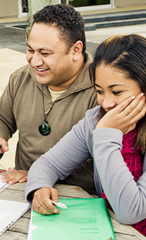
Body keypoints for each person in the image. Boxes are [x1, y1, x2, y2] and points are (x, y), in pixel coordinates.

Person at [25, 34, 146, 236]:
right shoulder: (94, 121)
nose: (106, 103)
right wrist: (39, 187)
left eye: (116, 92)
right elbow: (48, 164)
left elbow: (130, 211)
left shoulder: (103, 127)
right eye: (99, 91)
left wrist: (106, 136)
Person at [0, 4, 98, 194]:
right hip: (21, 186)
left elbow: (100, 163)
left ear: (76, 50)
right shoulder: (21, 77)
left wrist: (37, 175)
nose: (34, 61)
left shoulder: (102, 90)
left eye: (45, 53)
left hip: (75, 197)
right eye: (30, 50)